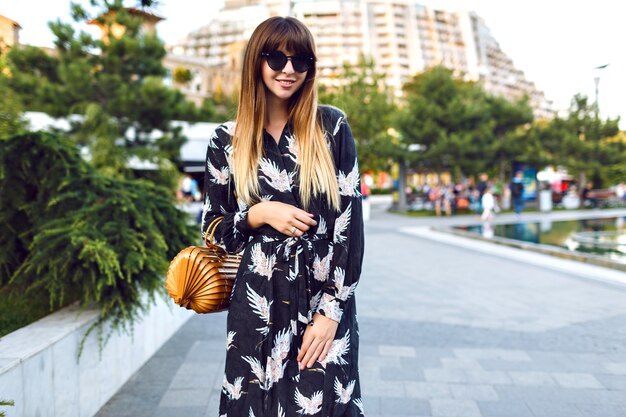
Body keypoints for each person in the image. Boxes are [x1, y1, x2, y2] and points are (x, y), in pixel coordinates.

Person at [201, 17, 365, 416]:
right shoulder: (227, 140)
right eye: (276, 58)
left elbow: (349, 228)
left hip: (320, 303)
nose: (288, 70)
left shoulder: (331, 127)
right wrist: (256, 214)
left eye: (301, 61)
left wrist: (330, 313)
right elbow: (213, 229)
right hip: (256, 305)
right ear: (257, 62)